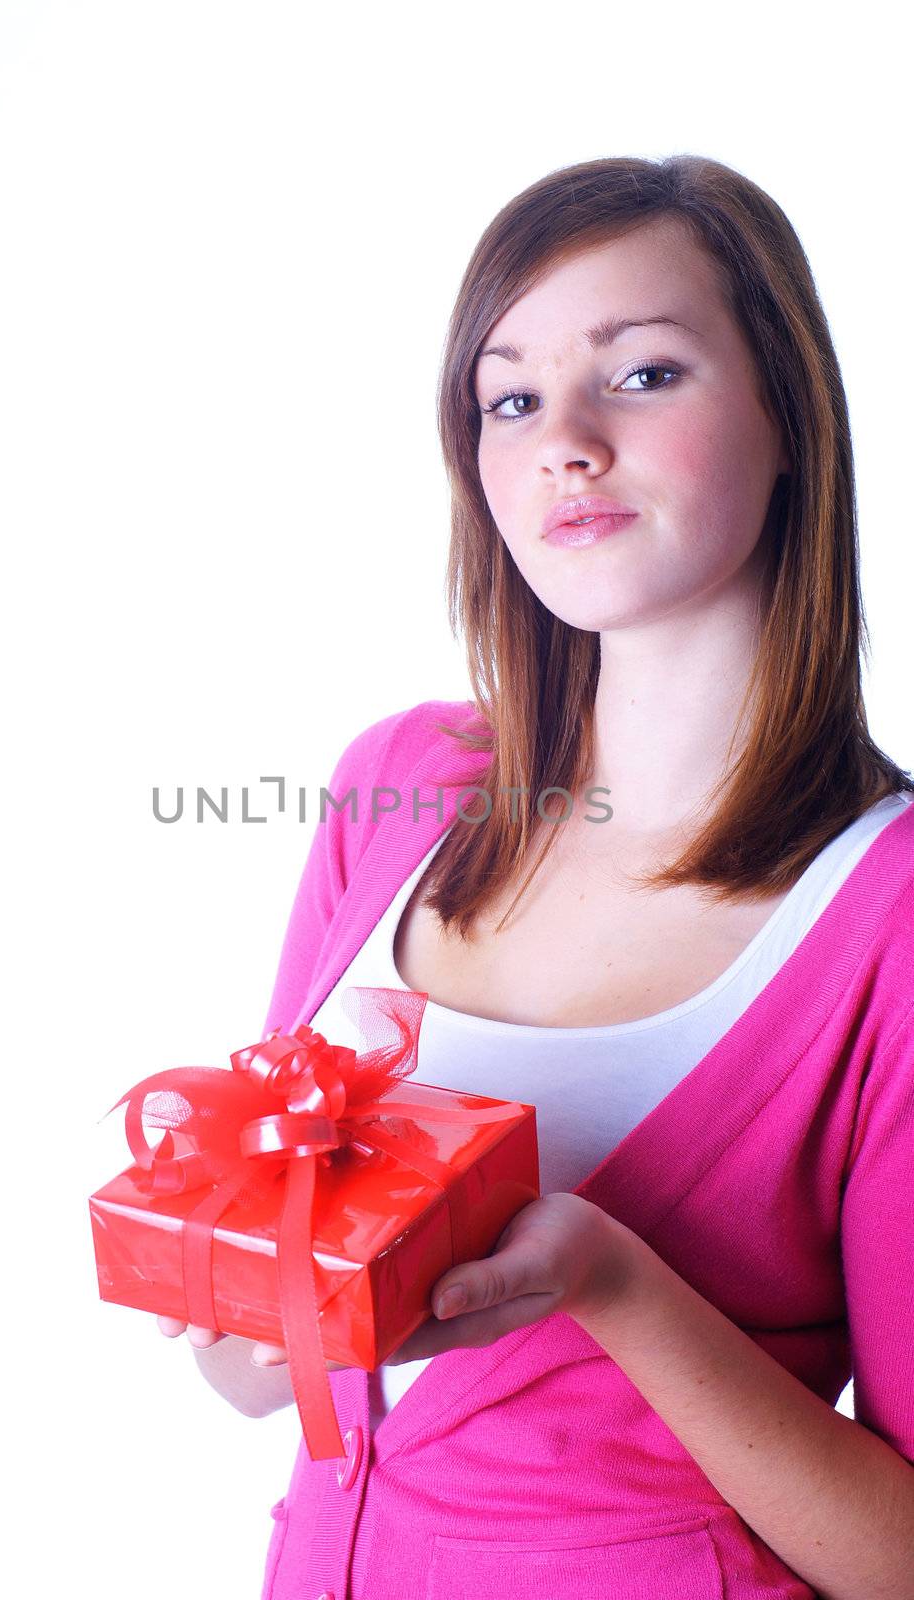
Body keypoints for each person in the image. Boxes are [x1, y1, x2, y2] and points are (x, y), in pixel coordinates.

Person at [157, 154, 914, 1599]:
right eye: (510, 398)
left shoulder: (893, 918)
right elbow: (266, 1368)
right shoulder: (396, 789)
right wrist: (238, 1312)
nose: (563, 439)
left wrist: (611, 1281)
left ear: (789, 419)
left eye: (639, 376)